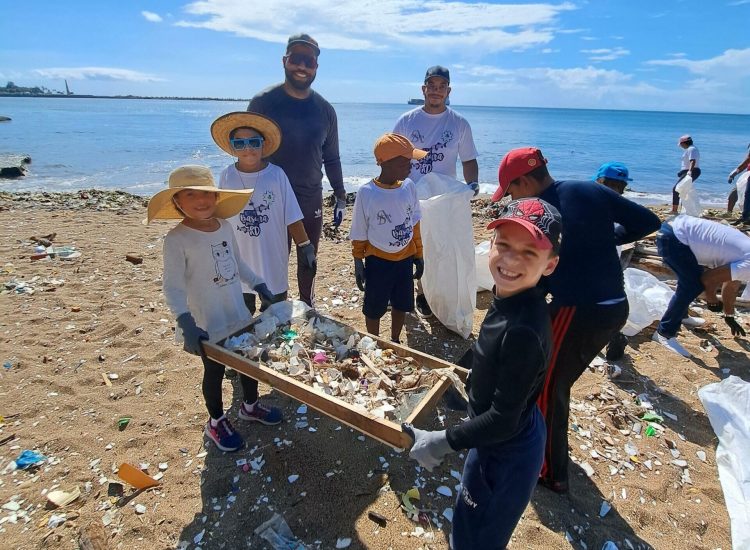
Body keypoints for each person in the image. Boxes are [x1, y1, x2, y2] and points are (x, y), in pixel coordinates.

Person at [493, 147, 661, 493]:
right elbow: (648, 221)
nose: (511, 197)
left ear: (524, 180)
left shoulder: (540, 213)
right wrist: (606, 238)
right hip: (613, 304)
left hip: (582, 309)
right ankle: (543, 453)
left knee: (547, 386)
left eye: (511, 190)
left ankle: (550, 472)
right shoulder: (588, 188)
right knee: (544, 375)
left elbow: (538, 271)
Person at [404, 197, 562, 549]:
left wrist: (442, 442)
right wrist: (458, 381)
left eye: (528, 253)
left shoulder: (524, 330)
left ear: (550, 265)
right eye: (503, 245)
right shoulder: (509, 294)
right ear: (489, 244)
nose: (510, 260)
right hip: (500, 429)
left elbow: (504, 420)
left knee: (477, 535)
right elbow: (487, 347)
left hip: (507, 449)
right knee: (467, 520)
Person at [149, 165, 283, 453]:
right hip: (205, 319)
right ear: (177, 201)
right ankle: (216, 421)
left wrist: (260, 285)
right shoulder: (176, 239)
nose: (201, 200)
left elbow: (238, 263)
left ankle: (250, 405)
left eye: (207, 193)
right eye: (190, 194)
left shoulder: (224, 226)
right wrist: (185, 322)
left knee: (247, 361)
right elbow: (172, 287)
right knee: (214, 371)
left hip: (235, 311)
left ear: (216, 196)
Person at [248, 33, 346, 306]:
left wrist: (340, 195)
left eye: (309, 61)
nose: (302, 66)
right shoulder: (263, 103)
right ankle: (272, 307)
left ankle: (306, 305)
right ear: (284, 61)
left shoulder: (325, 110)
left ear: (316, 67)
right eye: (296, 59)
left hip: (308, 197)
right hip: (269, 198)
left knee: (308, 257)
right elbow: (246, 151)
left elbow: (332, 157)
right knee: (270, 260)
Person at [393, 65, 479, 318]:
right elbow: (392, 155)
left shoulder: (459, 123)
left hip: (442, 198)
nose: (436, 91)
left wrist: (472, 186)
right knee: (406, 244)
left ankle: (425, 294)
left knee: (436, 246)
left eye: (442, 87)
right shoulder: (407, 121)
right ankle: (405, 292)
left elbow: (469, 160)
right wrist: (392, 188)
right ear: (424, 89)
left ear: (449, 91)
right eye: (432, 86)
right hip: (410, 193)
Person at [211, 111, 316, 315]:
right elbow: (219, 217)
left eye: (253, 142)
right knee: (241, 317)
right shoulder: (227, 176)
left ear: (263, 144)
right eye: (240, 143)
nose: (248, 148)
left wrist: (305, 247)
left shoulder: (276, 175)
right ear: (232, 148)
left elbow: (292, 216)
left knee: (275, 314)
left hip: (272, 259)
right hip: (238, 262)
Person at [349, 133, 426, 343]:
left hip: (405, 258)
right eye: (406, 161)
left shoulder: (409, 187)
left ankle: (394, 339)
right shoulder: (367, 192)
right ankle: (374, 341)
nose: (411, 166)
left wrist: (419, 254)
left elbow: (414, 222)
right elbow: (360, 230)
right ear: (387, 162)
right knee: (374, 307)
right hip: (378, 259)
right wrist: (358, 261)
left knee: (402, 304)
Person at [652, 215, 750, 357]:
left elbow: (731, 285)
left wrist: (729, 315)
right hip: (675, 237)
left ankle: (682, 316)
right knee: (692, 285)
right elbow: (709, 279)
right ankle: (664, 333)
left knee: (689, 280)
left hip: (678, 229)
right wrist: (711, 299)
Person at [672, 135, 701, 214]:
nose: (681, 146)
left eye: (681, 144)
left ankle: (674, 211)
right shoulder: (690, 149)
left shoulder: (692, 149)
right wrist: (682, 172)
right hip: (690, 171)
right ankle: (683, 210)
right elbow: (687, 163)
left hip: (693, 171)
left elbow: (692, 161)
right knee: (683, 190)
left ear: (684, 143)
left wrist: (689, 171)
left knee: (676, 189)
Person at [728, 143, 750, 225]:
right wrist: (735, 172)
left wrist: (734, 172)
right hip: (747, 175)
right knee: (735, 193)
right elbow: (746, 163)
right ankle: (729, 213)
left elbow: (747, 160)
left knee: (747, 195)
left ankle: (745, 217)